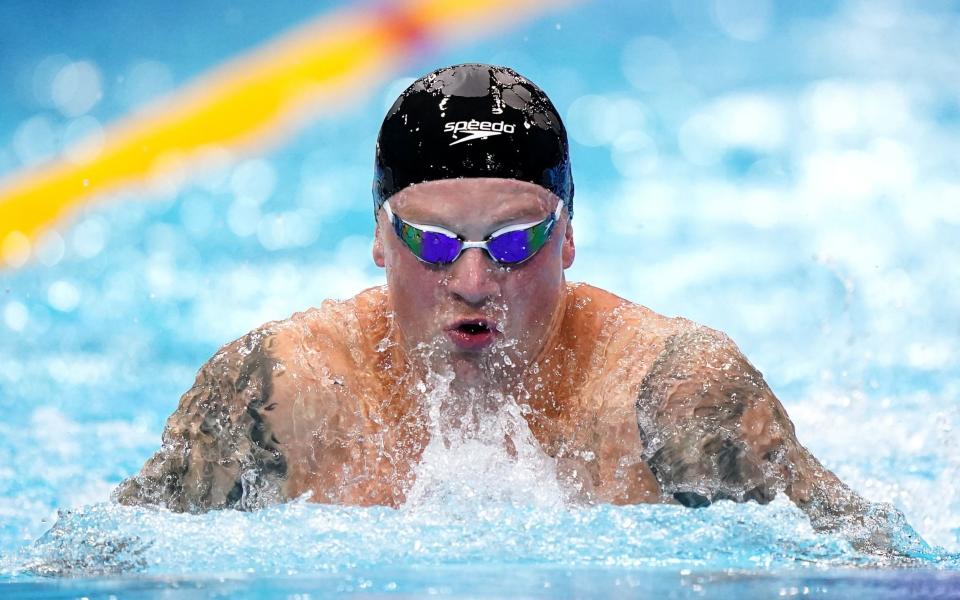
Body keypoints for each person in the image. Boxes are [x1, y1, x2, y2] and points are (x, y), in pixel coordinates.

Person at [114, 63, 923, 555]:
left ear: (567, 239)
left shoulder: (675, 398)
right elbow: (97, 560)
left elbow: (872, 561)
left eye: (512, 244)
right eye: (432, 243)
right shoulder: (278, 393)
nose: (472, 280)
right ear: (378, 238)